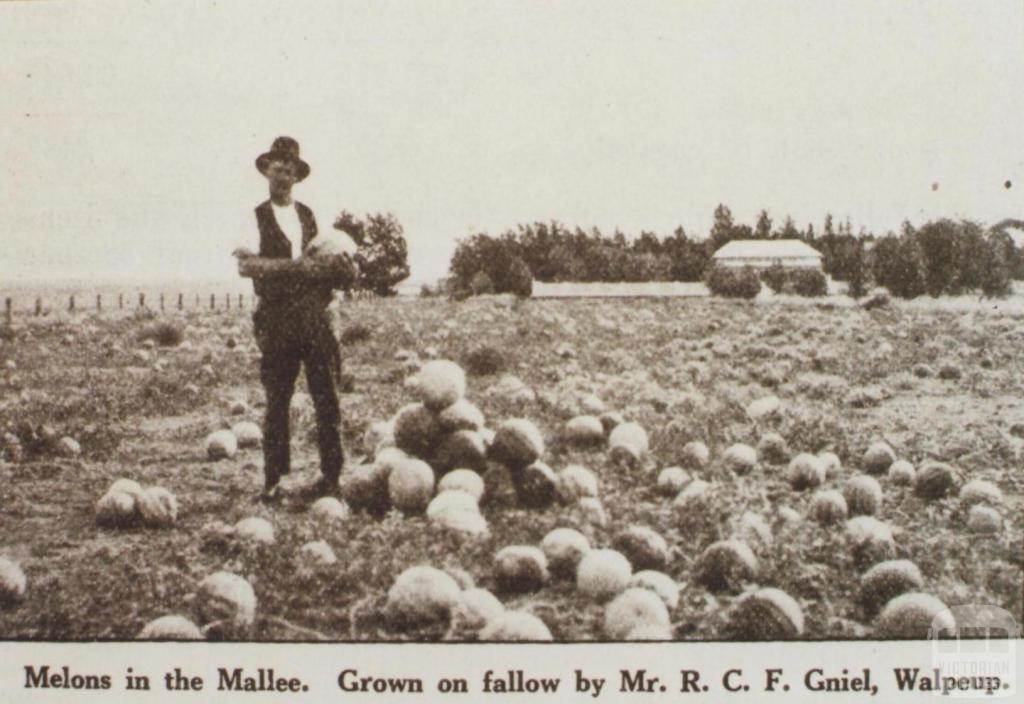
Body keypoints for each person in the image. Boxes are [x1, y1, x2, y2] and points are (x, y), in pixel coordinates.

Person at [242, 136, 347, 503]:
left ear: (296, 177)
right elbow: (247, 264)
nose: (283, 176)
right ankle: (274, 481)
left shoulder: (308, 215)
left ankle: (331, 478)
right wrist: (295, 267)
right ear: (267, 172)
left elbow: (323, 260)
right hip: (277, 319)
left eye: (289, 170)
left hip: (315, 318)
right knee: (278, 401)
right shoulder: (255, 216)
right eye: (277, 169)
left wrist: (341, 270)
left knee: (327, 397)